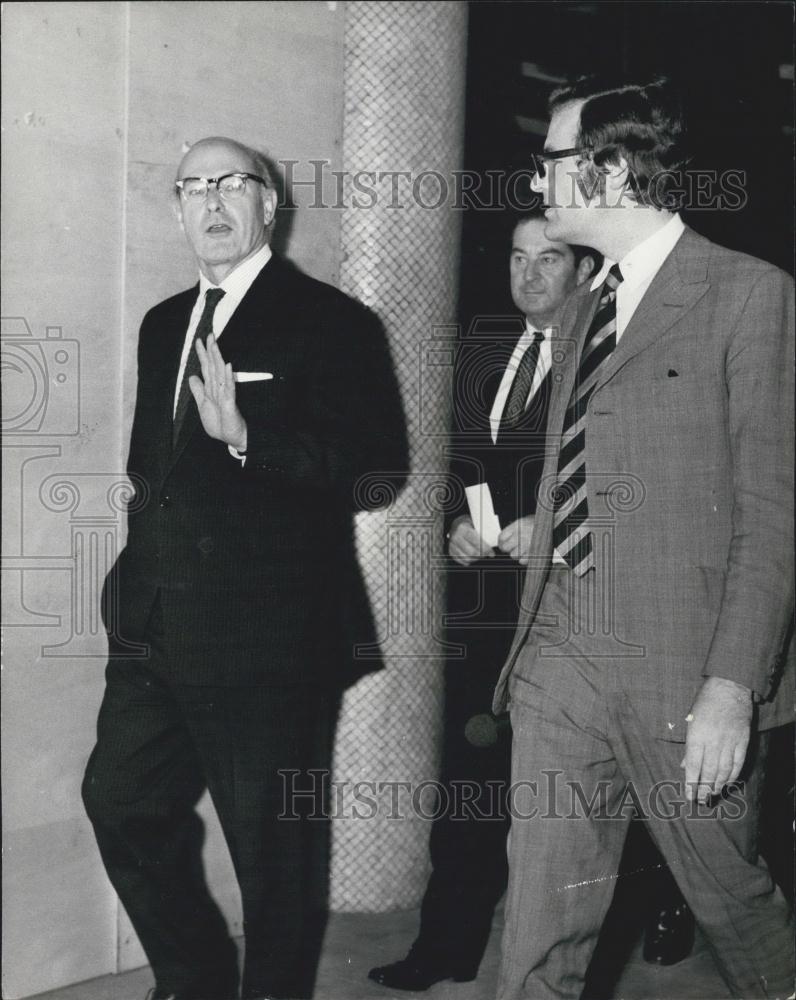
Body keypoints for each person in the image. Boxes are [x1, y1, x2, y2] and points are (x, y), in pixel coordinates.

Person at [82, 136, 407, 1000]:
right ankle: (193, 980)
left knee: (273, 858)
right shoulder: (163, 324)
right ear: (178, 210)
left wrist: (251, 440)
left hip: (270, 641)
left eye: (233, 184)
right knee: (119, 803)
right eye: (192, 187)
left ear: (271, 205)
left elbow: (378, 467)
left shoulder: (334, 322)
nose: (212, 202)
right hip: (155, 627)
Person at [493, 77, 795, 999]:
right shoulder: (584, 307)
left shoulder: (749, 296)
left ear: (612, 169)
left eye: (551, 160)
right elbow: (589, 471)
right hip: (560, 651)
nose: (537, 178)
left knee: (731, 904)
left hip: (684, 667)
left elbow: (774, 509)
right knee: (537, 919)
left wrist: (733, 687)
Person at [369, 211, 598, 991]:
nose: (529, 274)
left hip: (572, 605)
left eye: (550, 258)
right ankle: (445, 951)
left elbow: (637, 488)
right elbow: (457, 466)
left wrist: (556, 528)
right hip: (485, 608)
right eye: (517, 257)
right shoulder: (488, 350)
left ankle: (636, 920)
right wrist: (455, 527)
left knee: (577, 795)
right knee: (469, 781)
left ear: (586, 271)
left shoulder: (610, 360)